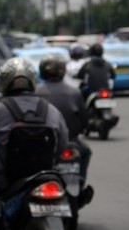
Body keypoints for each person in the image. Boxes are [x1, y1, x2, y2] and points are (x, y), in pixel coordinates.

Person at [0, 58, 69, 230]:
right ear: (33, 81)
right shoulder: (51, 110)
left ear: (5, 82)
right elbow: (63, 145)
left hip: (4, 180)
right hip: (45, 177)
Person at [36, 55, 92, 189]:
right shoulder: (74, 92)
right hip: (70, 141)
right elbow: (84, 120)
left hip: (41, 141)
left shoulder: (35, 91)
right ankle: (80, 184)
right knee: (86, 152)